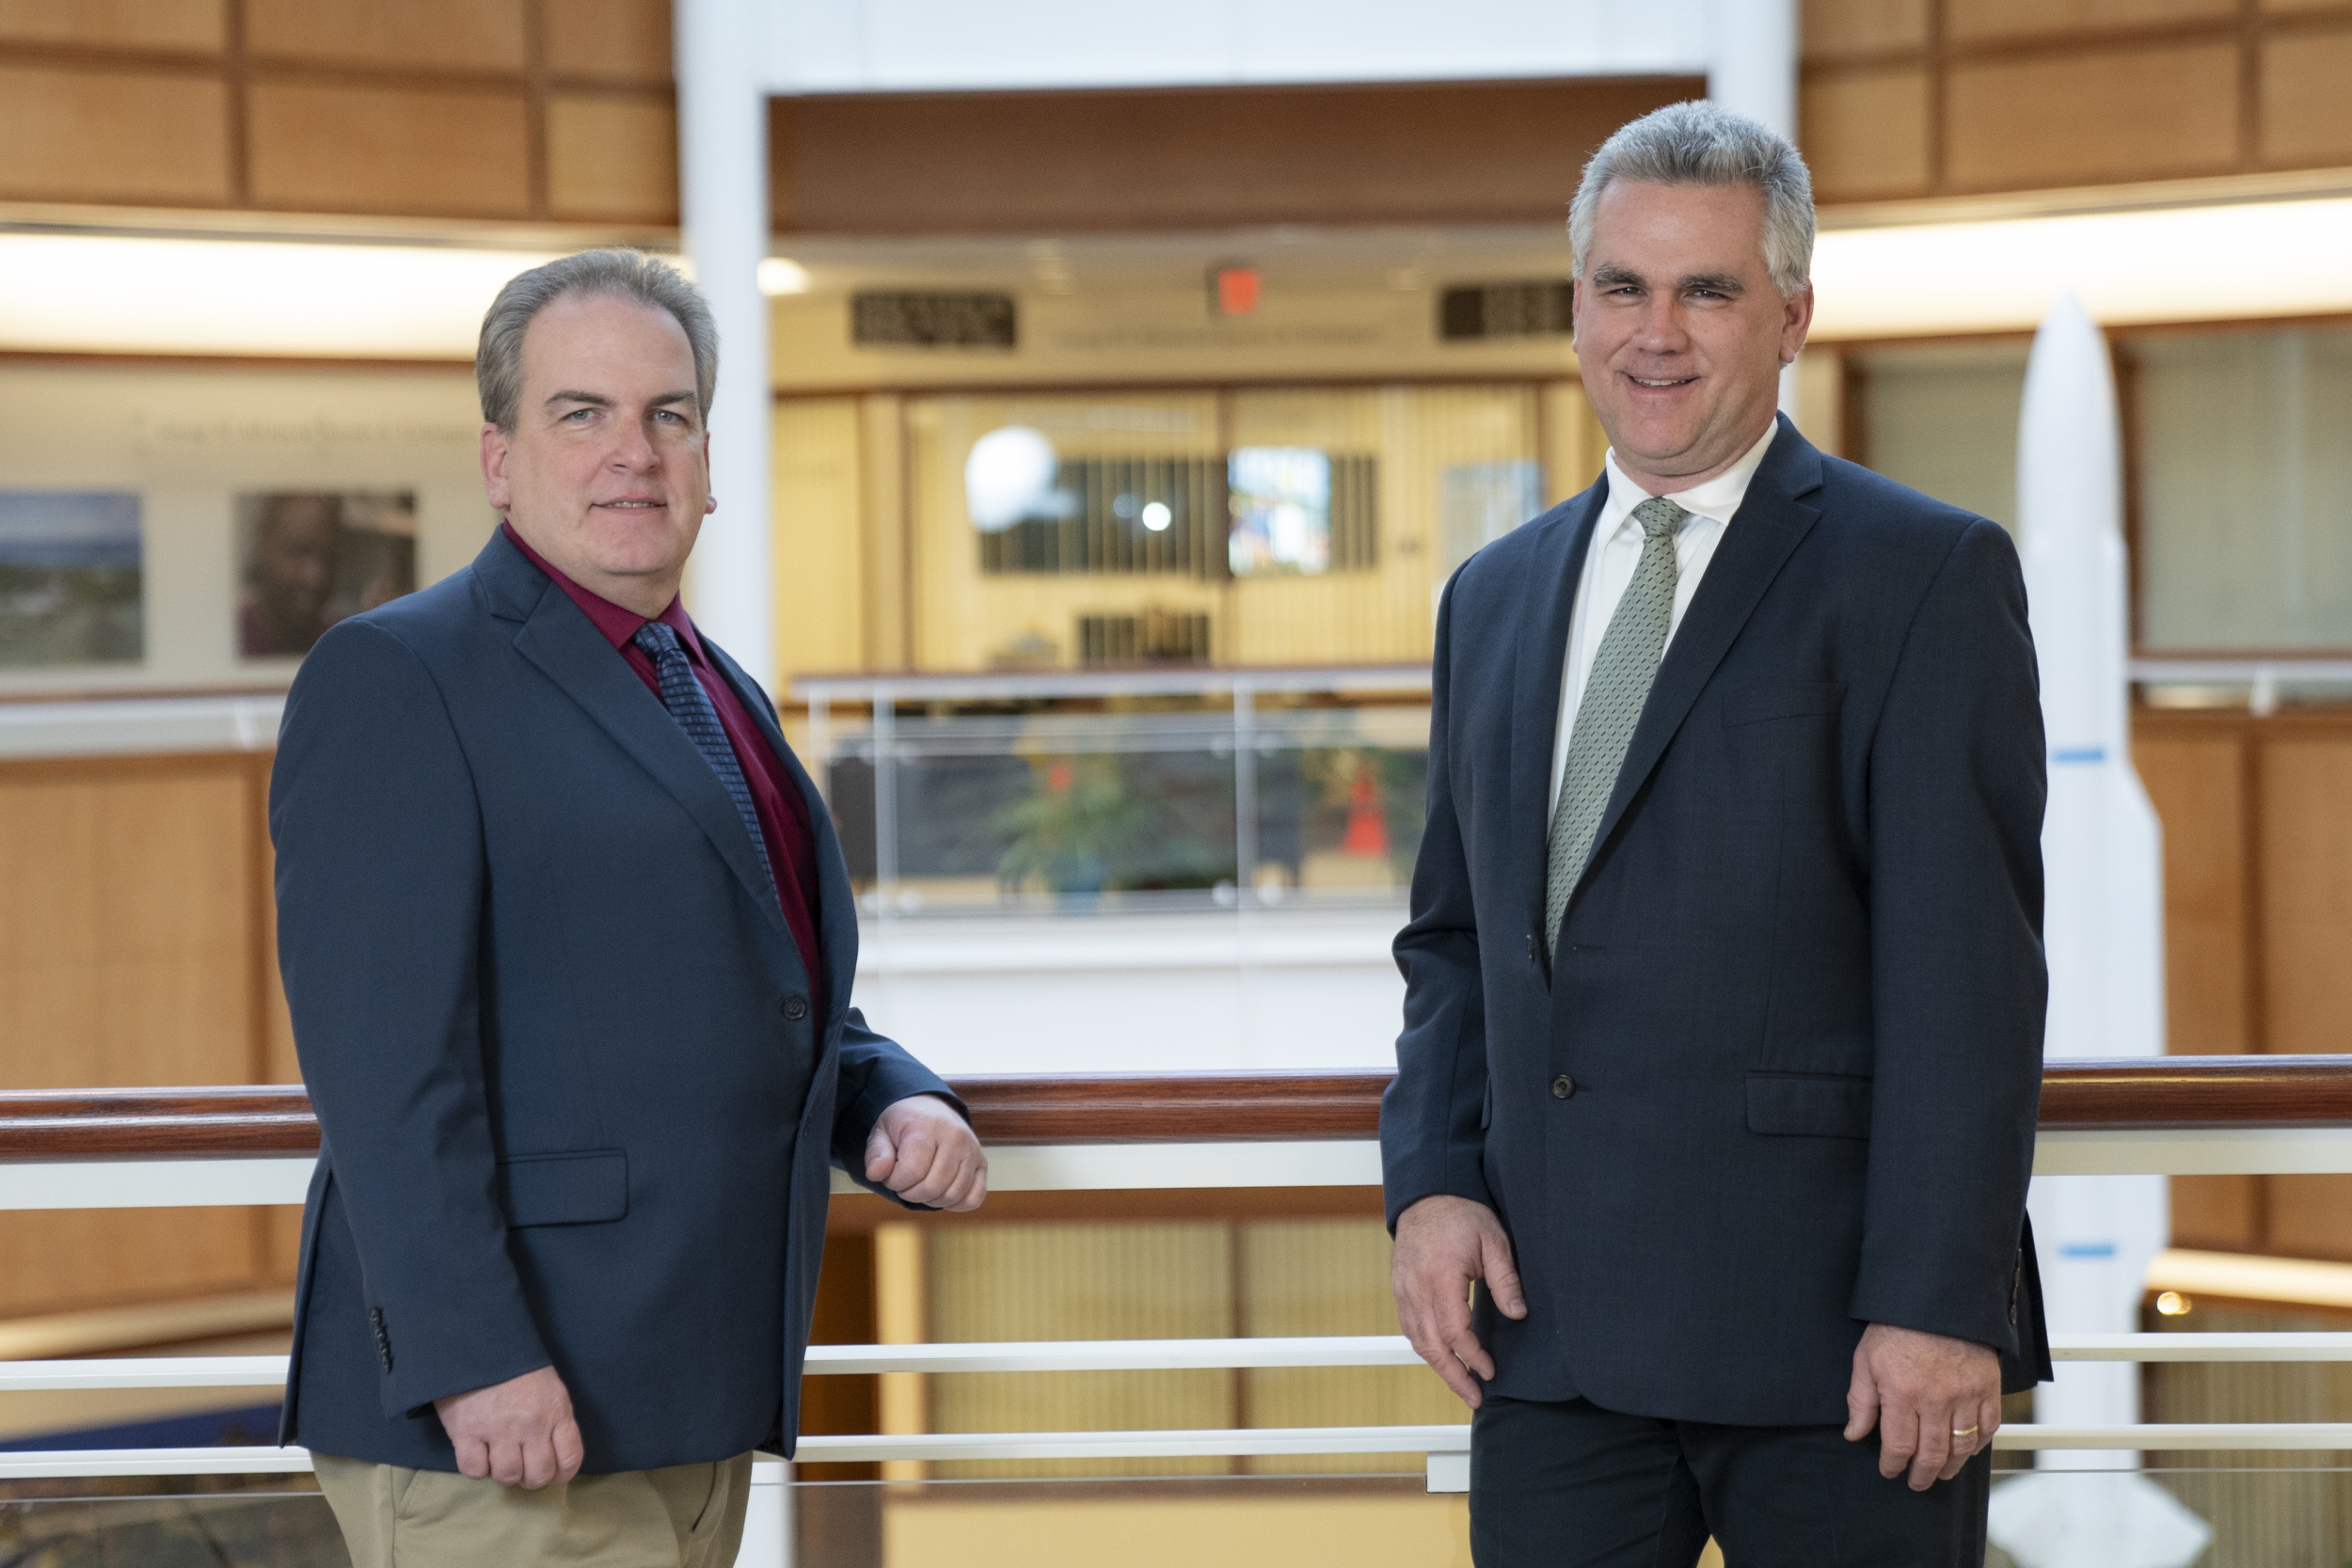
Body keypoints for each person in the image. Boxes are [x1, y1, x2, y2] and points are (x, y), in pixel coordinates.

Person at [1382, 103, 2050, 1566]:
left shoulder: (1924, 576)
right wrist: (1433, 1179)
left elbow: (1967, 978)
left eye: (1709, 290)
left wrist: (1943, 1299)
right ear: (1578, 305)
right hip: (1548, 1341)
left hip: (1844, 1354)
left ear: (1794, 314)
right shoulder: (1490, 597)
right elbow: (1452, 939)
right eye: (1623, 285)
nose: (1657, 332)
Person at [271, 249, 987, 1568]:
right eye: (581, 412)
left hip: (683, 1398)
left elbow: (764, 982)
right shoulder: (397, 676)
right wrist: (475, 1356)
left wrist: (887, 1090)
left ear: (709, 458)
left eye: (668, 414)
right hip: (502, 1419)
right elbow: (384, 1073)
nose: (635, 452)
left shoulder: (716, 689)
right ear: (499, 458)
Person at [241, 492, 342, 656]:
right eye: (299, 552)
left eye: (329, 558)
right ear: (263, 549)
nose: (315, 578)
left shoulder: (338, 646)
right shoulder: (230, 639)